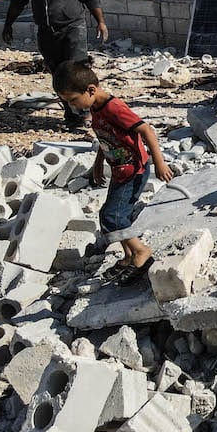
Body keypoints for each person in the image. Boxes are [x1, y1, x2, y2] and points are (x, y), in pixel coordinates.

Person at [53, 60, 173, 280]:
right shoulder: (95, 107)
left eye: (73, 100)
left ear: (90, 90)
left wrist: (159, 163)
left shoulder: (113, 108)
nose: (72, 106)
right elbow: (107, 137)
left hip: (134, 170)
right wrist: (98, 163)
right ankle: (128, 255)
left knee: (112, 216)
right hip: (120, 170)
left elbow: (146, 131)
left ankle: (141, 251)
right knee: (114, 214)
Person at [4, 0, 109, 129]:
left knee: (78, 70)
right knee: (58, 73)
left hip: (73, 27)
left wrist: (100, 22)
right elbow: (18, 0)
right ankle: (71, 113)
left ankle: (91, 114)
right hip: (46, 31)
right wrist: (8, 24)